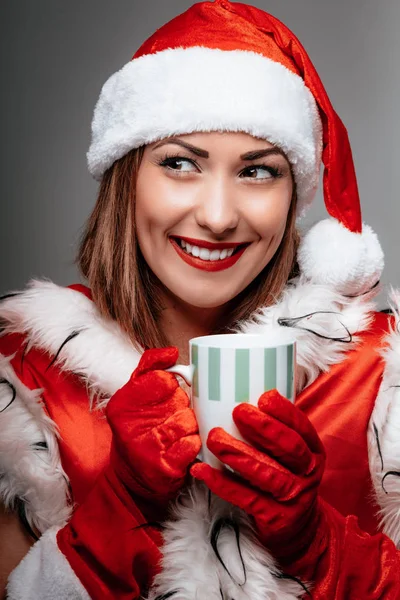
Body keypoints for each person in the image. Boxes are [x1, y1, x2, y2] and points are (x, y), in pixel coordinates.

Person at [1, 0, 400, 598]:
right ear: (126, 177)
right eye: (180, 163)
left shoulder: (378, 376)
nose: (216, 217)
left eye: (258, 171)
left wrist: (317, 547)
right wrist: (123, 503)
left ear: (295, 196)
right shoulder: (27, 374)